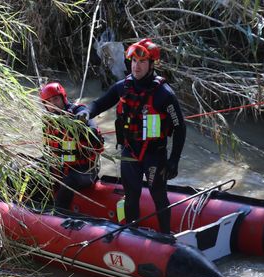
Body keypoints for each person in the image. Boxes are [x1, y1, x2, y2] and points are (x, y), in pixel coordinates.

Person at [78, 38, 186, 233]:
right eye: (134, 61)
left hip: (155, 154)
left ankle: (166, 236)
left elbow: (180, 128)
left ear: (152, 64)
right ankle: (132, 234)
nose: (136, 66)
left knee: (158, 196)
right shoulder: (122, 87)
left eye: (142, 62)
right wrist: (85, 112)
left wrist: (174, 160)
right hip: (129, 152)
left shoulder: (164, 94)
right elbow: (99, 104)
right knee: (131, 194)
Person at [39, 82, 104, 210]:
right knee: (35, 168)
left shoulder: (79, 113)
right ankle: (37, 206)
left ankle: (59, 213)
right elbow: (49, 151)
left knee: (69, 180)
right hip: (61, 168)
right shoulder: (49, 122)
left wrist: (79, 128)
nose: (53, 104)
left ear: (63, 98)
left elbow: (97, 138)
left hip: (85, 171)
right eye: (49, 102)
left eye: (56, 99)